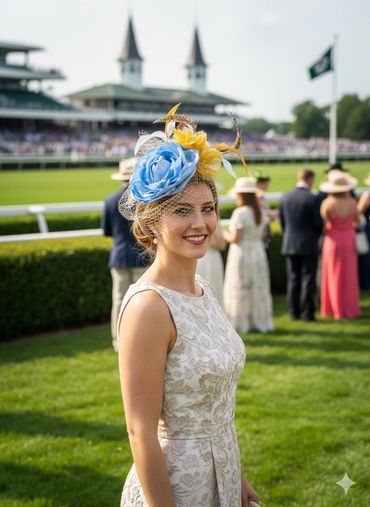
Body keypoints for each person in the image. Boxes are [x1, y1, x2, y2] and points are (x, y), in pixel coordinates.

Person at [116, 104, 260, 507]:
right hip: (176, 488)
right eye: (182, 211)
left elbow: (216, 411)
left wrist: (237, 476)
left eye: (208, 209)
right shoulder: (148, 308)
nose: (200, 223)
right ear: (151, 223)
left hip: (224, 475)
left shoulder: (203, 289)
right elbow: (140, 432)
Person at [101, 157, 148, 352]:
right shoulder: (146, 199)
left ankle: (118, 342)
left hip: (119, 257)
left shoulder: (110, 200)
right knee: (144, 301)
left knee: (119, 301)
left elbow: (107, 231)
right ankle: (142, 339)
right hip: (142, 256)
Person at [223, 177, 274, 333]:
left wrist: (223, 233)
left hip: (242, 251)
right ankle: (258, 319)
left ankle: (241, 321)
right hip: (258, 251)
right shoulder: (259, 211)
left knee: (241, 285)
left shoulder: (241, 213)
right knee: (257, 285)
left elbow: (235, 239)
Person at [279, 168, 322, 321]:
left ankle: (293, 312)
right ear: (310, 179)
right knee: (308, 279)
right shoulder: (313, 198)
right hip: (309, 243)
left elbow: (283, 223)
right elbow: (318, 224)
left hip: (290, 243)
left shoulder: (285, 197)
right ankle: (308, 313)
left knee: (293, 279)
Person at [320, 170, 361, 318]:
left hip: (333, 240)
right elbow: (358, 221)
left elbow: (324, 226)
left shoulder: (327, 203)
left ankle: (333, 308)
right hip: (349, 238)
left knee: (332, 273)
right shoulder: (352, 202)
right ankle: (349, 308)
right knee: (349, 274)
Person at [196, 220, 226, 306]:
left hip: (209, 257)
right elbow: (221, 244)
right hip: (210, 258)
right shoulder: (213, 219)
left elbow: (221, 244)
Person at [357, 173, 370, 290]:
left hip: (368, 226)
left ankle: (365, 283)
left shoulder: (367, 195)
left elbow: (359, 211)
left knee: (366, 255)